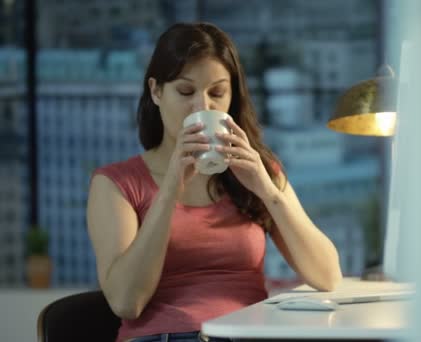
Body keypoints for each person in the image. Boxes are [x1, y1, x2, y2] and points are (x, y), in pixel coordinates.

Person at [86, 22, 342, 342]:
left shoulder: (256, 172)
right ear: (156, 91)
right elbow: (126, 302)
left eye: (217, 93)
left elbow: (327, 276)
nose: (203, 107)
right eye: (185, 91)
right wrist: (169, 192)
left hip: (247, 334)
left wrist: (268, 191)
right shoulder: (116, 183)